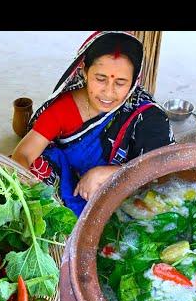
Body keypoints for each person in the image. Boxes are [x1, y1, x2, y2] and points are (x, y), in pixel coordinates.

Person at [11, 31, 175, 216]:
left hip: (124, 193)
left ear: (134, 81)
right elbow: (24, 153)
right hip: (72, 186)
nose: (108, 92)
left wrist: (108, 173)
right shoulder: (64, 109)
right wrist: (21, 193)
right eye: (100, 79)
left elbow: (163, 167)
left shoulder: (147, 116)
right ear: (85, 71)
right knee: (37, 167)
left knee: (158, 207)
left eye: (120, 83)